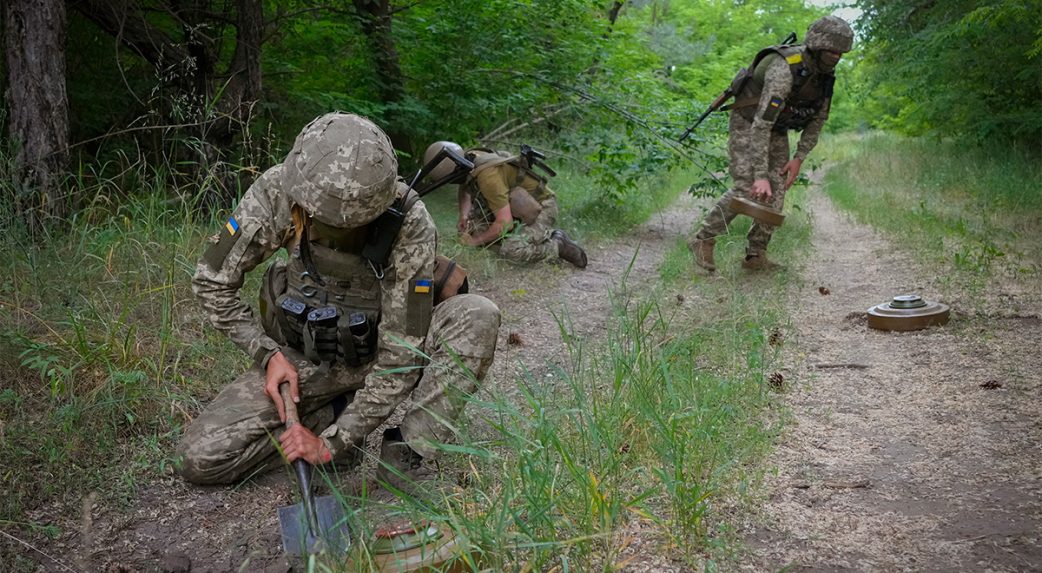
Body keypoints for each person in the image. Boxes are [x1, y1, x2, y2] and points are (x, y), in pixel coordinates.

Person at [177, 113, 501, 492]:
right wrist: (267, 355)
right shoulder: (277, 192)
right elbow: (211, 280)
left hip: (382, 353)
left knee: (476, 314)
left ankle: (409, 455)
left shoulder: (409, 221)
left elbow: (401, 354)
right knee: (197, 457)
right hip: (308, 359)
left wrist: (333, 442)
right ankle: (334, 411)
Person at [689, 15, 854, 271]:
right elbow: (761, 124)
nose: (836, 57)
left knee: (777, 190)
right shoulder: (784, 69)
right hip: (749, 121)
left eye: (840, 53)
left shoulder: (824, 76)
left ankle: (755, 256)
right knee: (748, 187)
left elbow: (818, 120)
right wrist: (759, 175)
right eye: (832, 51)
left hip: (777, 127)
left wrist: (799, 158)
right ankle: (704, 239)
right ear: (818, 46)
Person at [424, 141, 588, 269]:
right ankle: (520, 237)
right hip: (515, 205)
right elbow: (465, 187)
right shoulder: (468, 158)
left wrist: (474, 242)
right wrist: (464, 215)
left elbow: (505, 223)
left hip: (542, 207)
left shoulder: (488, 178)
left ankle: (557, 244)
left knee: (512, 251)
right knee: (475, 230)